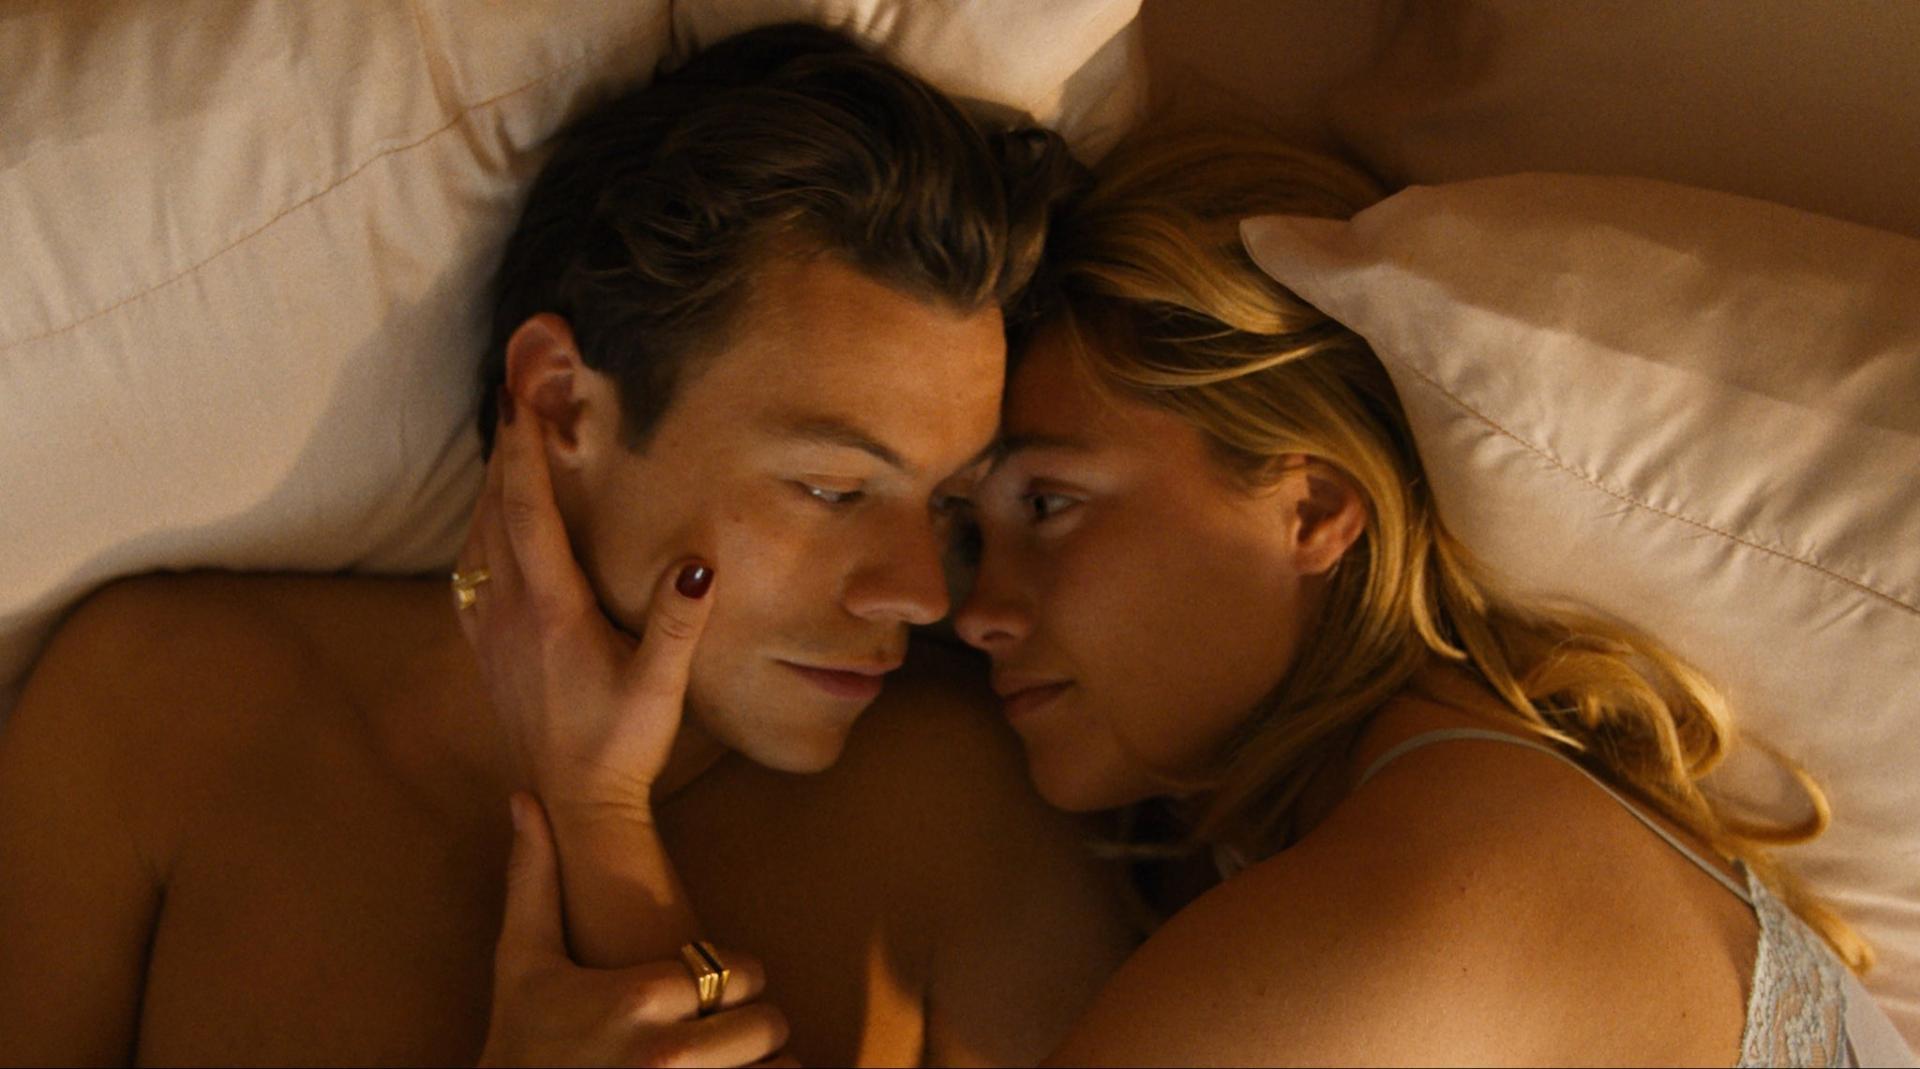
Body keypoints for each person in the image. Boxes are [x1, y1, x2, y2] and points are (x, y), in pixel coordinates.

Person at [0, 25, 1134, 1067]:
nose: (921, 593)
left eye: (947, 508)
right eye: (833, 488)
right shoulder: (159, 710)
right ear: (558, 403)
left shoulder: (961, 813)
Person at [948, 125, 1911, 1065]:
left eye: (1049, 504)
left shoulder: (1424, 899)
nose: (977, 611)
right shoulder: (1471, 816)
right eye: (969, 535)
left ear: (1313, 510)